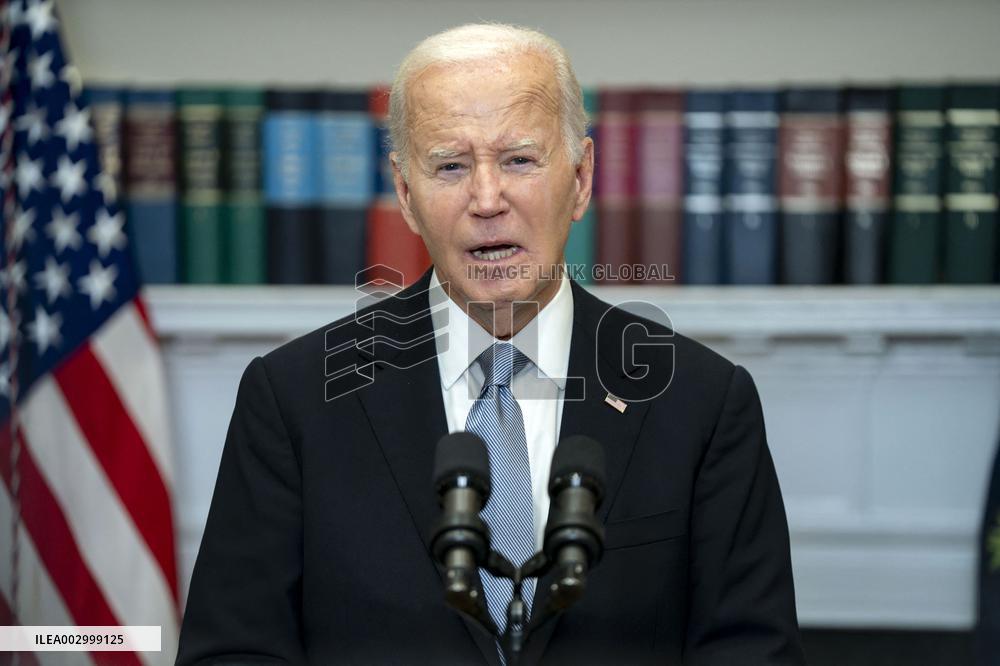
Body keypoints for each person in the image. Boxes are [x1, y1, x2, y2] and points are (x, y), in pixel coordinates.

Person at [176, 23, 805, 665]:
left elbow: (752, 652)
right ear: (406, 195)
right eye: (450, 166)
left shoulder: (701, 400)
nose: (485, 198)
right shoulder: (295, 398)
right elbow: (231, 651)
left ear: (582, 178)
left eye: (518, 160)